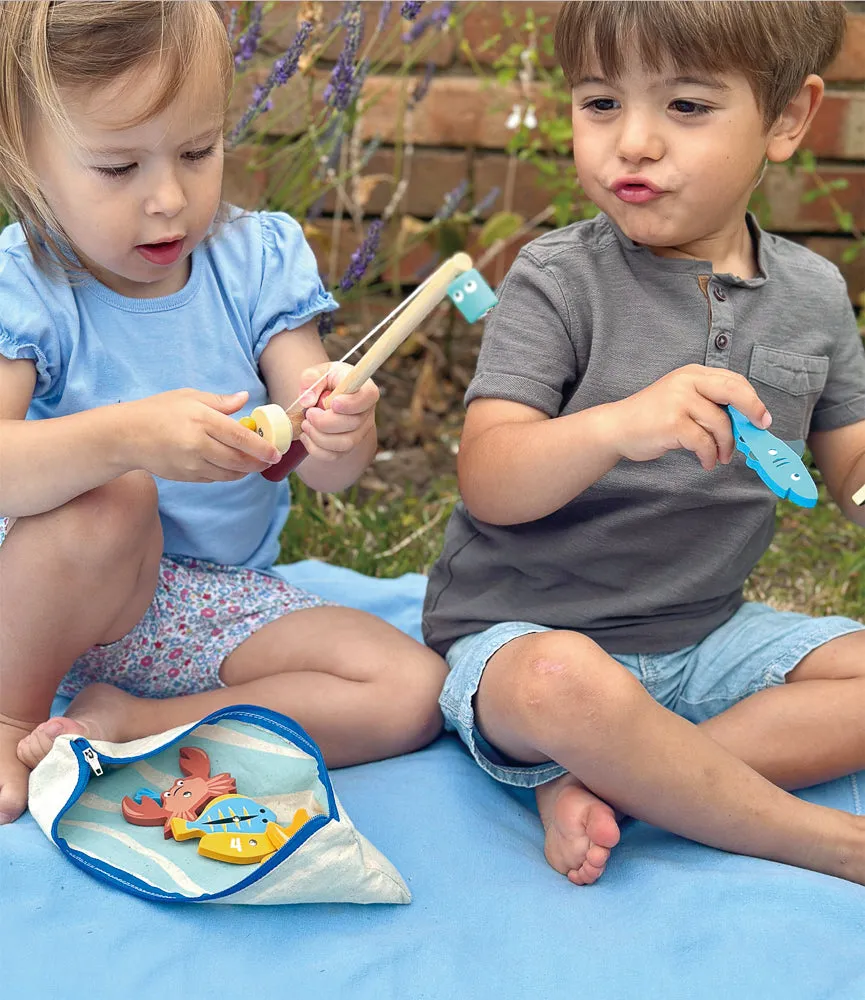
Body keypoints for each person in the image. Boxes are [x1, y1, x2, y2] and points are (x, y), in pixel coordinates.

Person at [423, 0, 865, 887]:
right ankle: (812, 838)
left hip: (703, 630)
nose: (633, 143)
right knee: (563, 680)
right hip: (525, 636)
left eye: (685, 108)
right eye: (600, 104)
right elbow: (490, 481)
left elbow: (849, 459)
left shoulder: (813, 294)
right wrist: (617, 426)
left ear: (785, 118)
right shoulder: (556, 277)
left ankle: (621, 778)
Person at [0, 0, 447, 826]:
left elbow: (329, 470)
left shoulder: (255, 261)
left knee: (413, 691)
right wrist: (126, 439)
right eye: (117, 167)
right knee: (115, 496)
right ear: (29, 154)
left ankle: (133, 724)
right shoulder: (27, 284)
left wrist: (340, 426)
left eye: (196, 152)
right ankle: (11, 719)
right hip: (41, 606)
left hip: (214, 607)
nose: (167, 198)